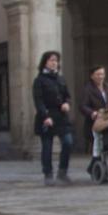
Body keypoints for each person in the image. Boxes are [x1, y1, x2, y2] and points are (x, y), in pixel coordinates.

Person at [32, 51, 74, 185]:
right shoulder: (39, 80)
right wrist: (45, 116)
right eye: (51, 60)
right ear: (45, 62)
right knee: (47, 147)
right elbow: (38, 101)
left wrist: (67, 103)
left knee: (68, 142)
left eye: (56, 60)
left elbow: (67, 95)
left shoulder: (61, 79)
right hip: (47, 116)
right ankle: (48, 174)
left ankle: (62, 172)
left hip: (61, 116)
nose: (54, 62)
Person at [80, 65, 108, 166]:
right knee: (100, 146)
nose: (100, 77)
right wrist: (92, 113)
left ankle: (95, 167)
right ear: (92, 76)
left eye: (102, 74)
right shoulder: (87, 89)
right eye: (98, 74)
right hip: (95, 123)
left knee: (106, 146)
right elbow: (82, 106)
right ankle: (97, 167)